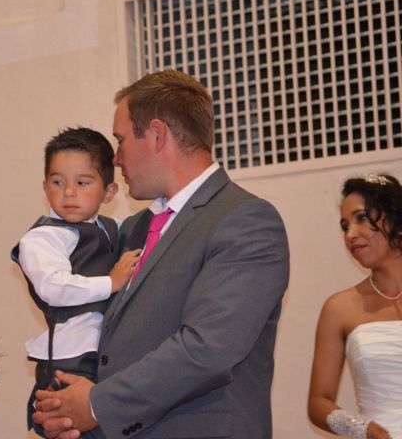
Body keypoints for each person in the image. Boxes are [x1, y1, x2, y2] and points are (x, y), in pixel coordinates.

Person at [33, 70, 290, 438]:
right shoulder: (133, 228)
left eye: (120, 140)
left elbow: (208, 350)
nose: (116, 158)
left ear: (156, 135)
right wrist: (67, 408)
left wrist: (96, 405)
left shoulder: (245, 220)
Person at [11, 127, 140, 434]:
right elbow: (54, 288)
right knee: (66, 422)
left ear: (109, 192)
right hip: (72, 356)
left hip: (105, 351)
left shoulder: (114, 226)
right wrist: (110, 283)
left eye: (82, 183)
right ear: (45, 188)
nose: (69, 192)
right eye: (58, 182)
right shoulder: (42, 238)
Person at [308, 174, 402, 439]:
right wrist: (360, 427)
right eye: (344, 225)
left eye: (361, 218)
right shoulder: (339, 308)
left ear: (394, 217)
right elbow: (318, 402)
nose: (350, 234)